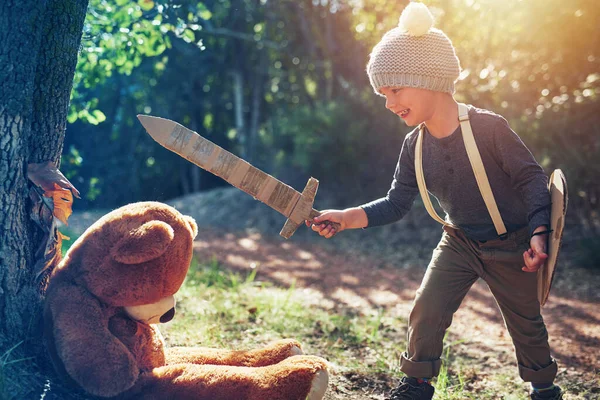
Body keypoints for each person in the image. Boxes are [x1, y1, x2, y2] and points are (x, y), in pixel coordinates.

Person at [307, 3, 562, 400]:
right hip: (458, 241)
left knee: (526, 322)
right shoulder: (415, 145)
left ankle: (544, 388)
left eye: (394, 89)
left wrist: (539, 232)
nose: (389, 103)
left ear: (428, 79)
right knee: (427, 308)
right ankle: (417, 385)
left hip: (511, 242)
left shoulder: (488, 128)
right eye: (382, 94)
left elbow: (531, 178)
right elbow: (396, 203)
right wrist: (345, 217)